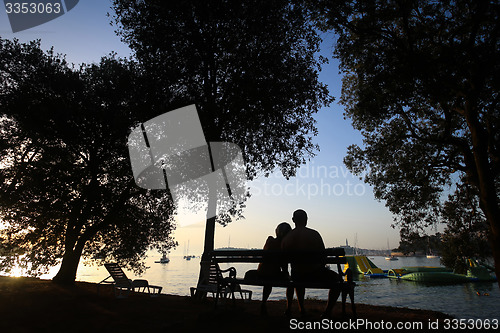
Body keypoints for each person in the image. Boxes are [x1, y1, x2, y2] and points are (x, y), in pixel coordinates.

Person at [281, 209, 341, 317]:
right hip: (316, 274)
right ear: (306, 220)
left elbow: (283, 261)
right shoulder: (314, 234)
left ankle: (302, 309)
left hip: (297, 275)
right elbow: (323, 256)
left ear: (293, 220)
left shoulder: (287, 238)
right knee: (338, 280)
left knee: (297, 277)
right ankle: (327, 312)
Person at [244, 222, 292, 315]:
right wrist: (287, 275)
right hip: (273, 275)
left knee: (267, 278)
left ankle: (263, 302)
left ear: (276, 231)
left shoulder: (270, 240)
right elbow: (284, 266)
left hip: (261, 273)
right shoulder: (284, 246)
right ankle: (288, 308)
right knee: (291, 284)